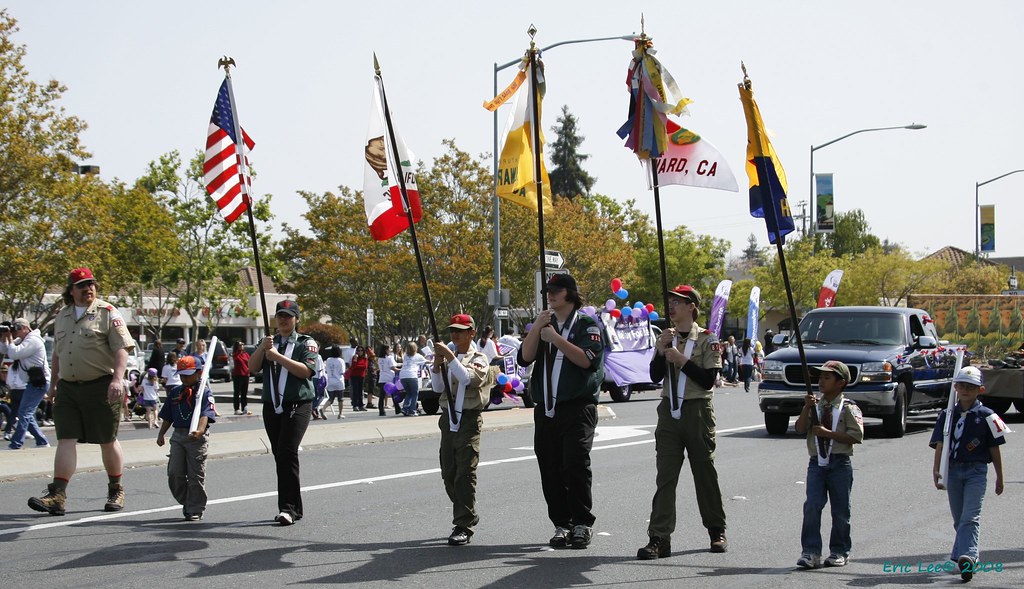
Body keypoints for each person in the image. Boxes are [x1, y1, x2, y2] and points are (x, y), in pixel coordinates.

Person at [28, 268, 137, 516]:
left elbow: (122, 348)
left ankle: (116, 489)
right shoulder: (62, 316)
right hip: (68, 388)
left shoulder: (107, 312)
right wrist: (54, 384)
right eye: (82, 285)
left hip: (101, 385)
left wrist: (117, 380)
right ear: (71, 290)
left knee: (107, 440)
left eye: (91, 284)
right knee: (66, 439)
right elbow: (58, 353)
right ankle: (57, 495)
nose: (89, 288)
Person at [637, 285, 728, 560]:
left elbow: (708, 379)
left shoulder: (708, 339)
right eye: (670, 302)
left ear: (691, 307)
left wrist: (681, 360)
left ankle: (716, 530)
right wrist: (660, 350)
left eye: (678, 302)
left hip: (697, 410)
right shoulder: (668, 337)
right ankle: (659, 537)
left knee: (704, 473)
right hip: (669, 411)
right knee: (665, 476)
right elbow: (655, 376)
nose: (672, 306)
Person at [517, 273, 604, 549]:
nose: (550, 295)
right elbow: (524, 357)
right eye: (548, 291)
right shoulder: (545, 324)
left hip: (577, 408)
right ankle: (562, 523)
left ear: (570, 293)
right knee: (550, 468)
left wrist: (555, 339)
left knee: (575, 464)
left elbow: (587, 360)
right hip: (546, 409)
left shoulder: (587, 325)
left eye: (556, 290)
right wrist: (537, 329)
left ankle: (581, 523)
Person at [929, 366, 1006, 582]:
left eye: (971, 387)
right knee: (958, 519)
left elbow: (994, 447)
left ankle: (968, 557)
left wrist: (1000, 476)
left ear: (980, 389)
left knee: (970, 517)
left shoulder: (987, 416)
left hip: (976, 471)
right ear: (955, 387)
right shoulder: (947, 415)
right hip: (953, 470)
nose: (965, 390)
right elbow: (940, 443)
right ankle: (962, 554)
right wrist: (937, 469)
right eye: (962, 386)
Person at [248, 299, 317, 526]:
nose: (283, 319)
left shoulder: (305, 343)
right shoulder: (268, 342)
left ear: (297, 319)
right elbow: (252, 367)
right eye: (280, 315)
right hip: (272, 406)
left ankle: (287, 509)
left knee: (287, 452)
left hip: (297, 404)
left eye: (288, 316)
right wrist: (263, 348)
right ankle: (294, 507)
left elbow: (306, 371)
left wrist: (277, 356)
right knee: (280, 455)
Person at [794, 360, 864, 569]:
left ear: (840, 383)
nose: (821, 381)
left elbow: (856, 436)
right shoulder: (815, 405)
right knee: (812, 506)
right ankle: (810, 551)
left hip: (839, 463)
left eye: (827, 377)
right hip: (816, 463)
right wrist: (807, 408)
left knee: (841, 510)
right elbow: (800, 428)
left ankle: (839, 550)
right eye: (820, 377)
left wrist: (828, 433)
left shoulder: (848, 407)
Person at [431, 314, 493, 545]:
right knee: (449, 472)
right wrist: (437, 365)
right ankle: (467, 511)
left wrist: (449, 356)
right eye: (452, 330)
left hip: (468, 419)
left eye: (460, 330)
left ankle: (463, 524)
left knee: (465, 473)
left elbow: (469, 379)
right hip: (448, 419)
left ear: (471, 333)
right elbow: (438, 387)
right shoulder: (449, 356)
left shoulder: (479, 358)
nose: (455, 334)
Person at [155, 355, 216, 520]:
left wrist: (200, 430)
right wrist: (161, 433)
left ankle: (195, 508)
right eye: (181, 375)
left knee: (195, 475)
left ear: (199, 373)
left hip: (196, 438)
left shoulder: (204, 392)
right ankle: (188, 501)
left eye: (188, 375)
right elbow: (168, 415)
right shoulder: (176, 392)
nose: (184, 378)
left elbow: (205, 413)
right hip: (178, 435)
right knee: (175, 473)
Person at [1, 318, 51, 450]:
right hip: (32, 382)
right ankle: (42, 441)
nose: (15, 332)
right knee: (26, 413)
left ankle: (16, 443)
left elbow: (14, 354)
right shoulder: (23, 340)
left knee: (24, 412)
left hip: (39, 381)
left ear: (25, 328)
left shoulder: (33, 340)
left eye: (17, 328)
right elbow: (4, 350)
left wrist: (10, 339)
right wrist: (5, 337)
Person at [399, 342, 428, 416]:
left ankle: (405, 408)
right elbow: (426, 361)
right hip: (412, 375)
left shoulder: (405, 355)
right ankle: (412, 410)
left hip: (402, 376)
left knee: (409, 393)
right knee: (415, 393)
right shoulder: (418, 356)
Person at [324, 346, 346, 419]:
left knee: (331, 398)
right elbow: (342, 372)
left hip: (330, 380)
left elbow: (326, 370)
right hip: (339, 381)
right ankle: (340, 413)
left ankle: (323, 409)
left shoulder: (328, 360)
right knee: (340, 399)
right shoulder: (341, 360)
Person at [376, 344, 397, 416]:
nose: (390, 350)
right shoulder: (390, 358)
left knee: (382, 396)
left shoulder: (380, 359)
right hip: (389, 378)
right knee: (393, 394)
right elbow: (393, 367)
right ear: (386, 350)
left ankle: (381, 411)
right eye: (389, 349)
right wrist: (400, 370)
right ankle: (397, 408)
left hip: (382, 378)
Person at [231, 341, 251, 416]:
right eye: (240, 345)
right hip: (237, 375)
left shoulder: (246, 354)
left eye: (243, 344)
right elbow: (234, 362)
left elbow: (249, 362)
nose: (242, 346)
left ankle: (244, 407)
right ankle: (236, 408)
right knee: (237, 392)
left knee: (244, 393)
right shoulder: (235, 355)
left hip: (246, 375)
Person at [348, 346, 369, 412]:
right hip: (354, 376)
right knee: (355, 391)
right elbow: (354, 367)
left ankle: (361, 405)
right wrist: (355, 360)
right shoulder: (354, 358)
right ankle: (355, 405)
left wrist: (358, 366)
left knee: (360, 391)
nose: (360, 352)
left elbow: (365, 367)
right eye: (358, 350)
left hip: (361, 376)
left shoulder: (364, 358)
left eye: (361, 350)